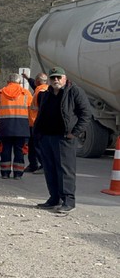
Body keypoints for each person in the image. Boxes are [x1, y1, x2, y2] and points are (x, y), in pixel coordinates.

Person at [33, 67, 92, 212]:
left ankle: (68, 201)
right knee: (50, 169)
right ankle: (54, 199)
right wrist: (38, 133)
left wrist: (75, 133)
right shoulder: (47, 93)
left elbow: (86, 114)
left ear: (65, 78)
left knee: (65, 171)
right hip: (46, 137)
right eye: (53, 78)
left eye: (58, 77)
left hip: (64, 138)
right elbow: (41, 113)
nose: (56, 80)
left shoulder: (74, 91)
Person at [0, 73, 32, 179]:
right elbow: (31, 108)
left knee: (5, 149)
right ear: (20, 82)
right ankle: (18, 174)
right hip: (22, 127)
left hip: (5, 126)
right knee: (20, 150)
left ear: (8, 82)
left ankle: (5, 173)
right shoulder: (26, 93)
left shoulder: (1, 93)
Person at [26, 73, 49, 174]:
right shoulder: (42, 88)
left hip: (37, 124)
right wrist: (28, 79)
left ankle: (44, 166)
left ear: (38, 82)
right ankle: (33, 165)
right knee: (32, 146)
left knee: (38, 146)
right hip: (34, 123)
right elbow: (34, 84)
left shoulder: (41, 92)